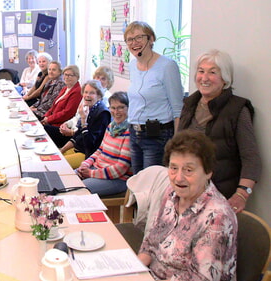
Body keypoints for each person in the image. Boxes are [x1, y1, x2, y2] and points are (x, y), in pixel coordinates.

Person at [138, 130, 237, 281]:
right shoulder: (171, 194)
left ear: (208, 171)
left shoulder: (217, 217)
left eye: (188, 170)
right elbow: (150, 243)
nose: (178, 178)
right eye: (173, 168)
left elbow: (201, 277)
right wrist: (134, 269)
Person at [178, 49, 261, 212]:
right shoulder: (189, 104)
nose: (204, 78)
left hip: (219, 196)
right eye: (201, 71)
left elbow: (251, 158)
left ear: (225, 79)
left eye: (212, 72)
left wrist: (242, 194)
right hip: (186, 192)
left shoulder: (238, 109)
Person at [125, 21, 183, 174]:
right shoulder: (132, 65)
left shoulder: (167, 66)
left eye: (139, 38)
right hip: (134, 132)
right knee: (138, 183)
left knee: (152, 185)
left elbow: (178, 109)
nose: (134, 43)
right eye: (130, 39)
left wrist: (175, 145)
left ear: (151, 39)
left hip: (157, 135)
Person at [76, 92, 132, 196]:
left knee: (77, 190)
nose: (116, 112)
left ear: (129, 108)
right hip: (97, 170)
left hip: (117, 179)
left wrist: (91, 173)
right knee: (68, 180)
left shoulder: (130, 132)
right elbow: (100, 150)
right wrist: (85, 164)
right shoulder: (111, 126)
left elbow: (121, 168)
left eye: (121, 108)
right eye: (113, 108)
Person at [59, 80, 111, 168]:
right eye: (86, 92)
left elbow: (90, 144)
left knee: (58, 164)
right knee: (53, 158)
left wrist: (83, 120)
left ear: (99, 96)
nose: (87, 95)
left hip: (88, 154)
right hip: (77, 149)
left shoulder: (102, 113)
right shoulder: (89, 108)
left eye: (92, 93)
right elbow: (77, 136)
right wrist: (62, 150)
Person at [42, 65, 82, 147]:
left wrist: (49, 119)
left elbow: (67, 113)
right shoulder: (65, 88)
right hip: (52, 121)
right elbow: (54, 105)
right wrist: (46, 117)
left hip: (61, 126)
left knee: (43, 130)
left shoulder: (77, 91)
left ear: (77, 77)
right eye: (65, 74)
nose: (67, 77)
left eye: (70, 75)